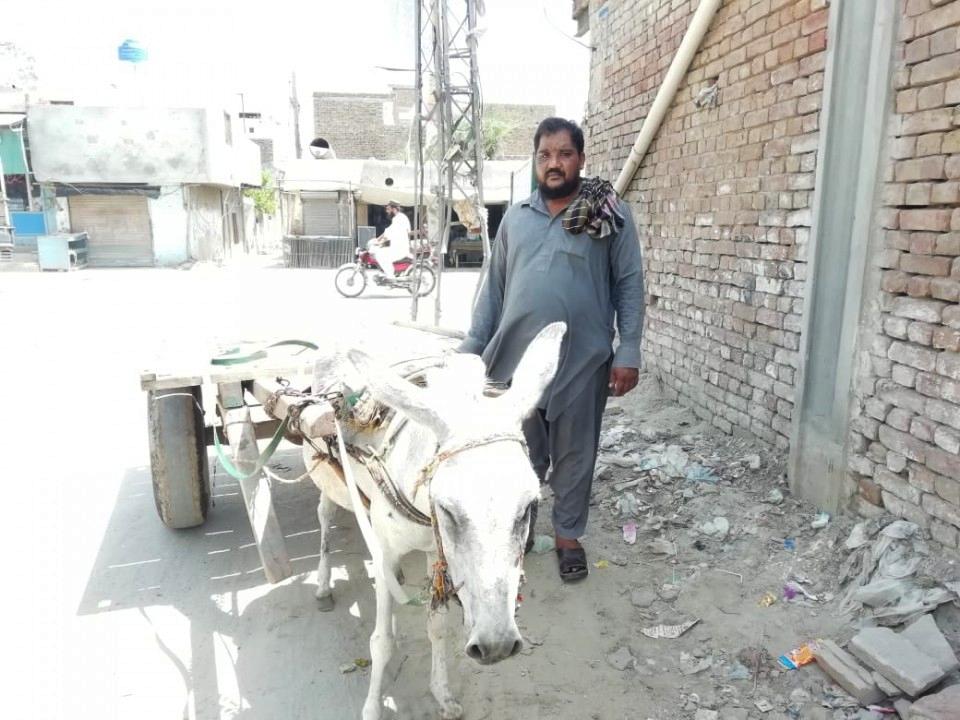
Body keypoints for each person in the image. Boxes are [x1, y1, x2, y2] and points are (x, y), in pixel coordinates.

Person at [459, 117, 645, 582]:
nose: (554, 163)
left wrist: (629, 350)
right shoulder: (516, 218)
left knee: (576, 454)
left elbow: (629, 284)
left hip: (582, 360)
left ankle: (568, 538)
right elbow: (494, 291)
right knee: (518, 452)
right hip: (515, 361)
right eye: (545, 155)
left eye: (564, 154)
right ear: (536, 161)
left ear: (581, 159)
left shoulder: (608, 215)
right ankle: (519, 528)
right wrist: (470, 350)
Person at [371, 201, 412, 279]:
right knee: (381, 251)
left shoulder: (399, 219)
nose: (387, 212)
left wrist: (380, 241)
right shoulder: (398, 217)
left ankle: (390, 276)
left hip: (400, 248)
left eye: (388, 209)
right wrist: (378, 239)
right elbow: (388, 231)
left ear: (394, 209)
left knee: (380, 255)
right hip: (397, 246)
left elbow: (390, 234)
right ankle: (386, 273)